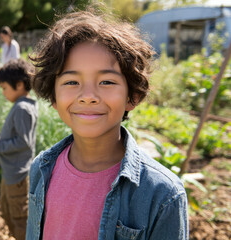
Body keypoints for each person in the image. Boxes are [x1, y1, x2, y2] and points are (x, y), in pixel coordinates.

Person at [26, 9, 189, 240]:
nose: (88, 96)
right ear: (53, 97)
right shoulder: (41, 169)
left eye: (107, 81)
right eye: (72, 81)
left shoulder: (163, 194)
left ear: (132, 97)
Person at [0, 59, 37, 240]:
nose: (3, 93)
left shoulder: (22, 108)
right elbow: (14, 137)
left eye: (4, 88)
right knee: (7, 211)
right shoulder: (21, 105)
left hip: (18, 175)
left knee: (20, 220)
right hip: (10, 172)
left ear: (19, 85)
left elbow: (23, 142)